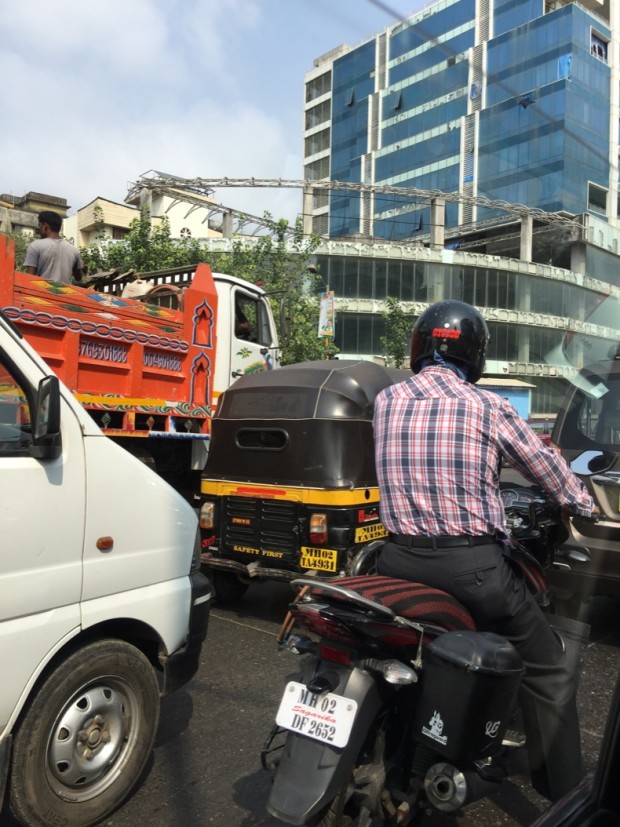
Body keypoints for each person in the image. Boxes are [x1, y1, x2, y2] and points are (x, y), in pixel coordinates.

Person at [372, 299, 598, 803]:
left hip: (397, 564)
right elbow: (544, 466)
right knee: (551, 668)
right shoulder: (488, 406)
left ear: (419, 347)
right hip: (469, 570)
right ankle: (570, 798)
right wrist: (582, 504)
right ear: (475, 354)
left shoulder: (386, 401)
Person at [23, 210, 83, 284]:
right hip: (64, 294)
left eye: (39, 225)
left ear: (45, 226)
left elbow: (29, 277)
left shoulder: (36, 245)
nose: (39, 229)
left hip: (42, 293)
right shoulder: (74, 250)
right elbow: (78, 277)